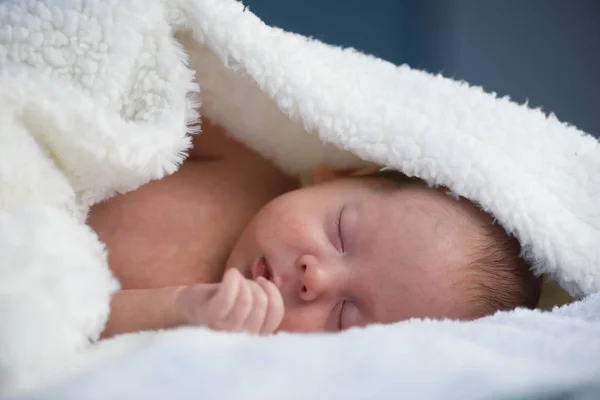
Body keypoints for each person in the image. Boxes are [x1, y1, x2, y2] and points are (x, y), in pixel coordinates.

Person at [90, 120, 541, 338]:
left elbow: (68, 324)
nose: (315, 278)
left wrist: (176, 309)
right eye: (341, 234)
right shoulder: (245, 161)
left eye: (346, 316)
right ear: (340, 175)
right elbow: (150, 88)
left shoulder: (215, 340)